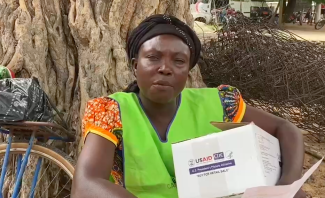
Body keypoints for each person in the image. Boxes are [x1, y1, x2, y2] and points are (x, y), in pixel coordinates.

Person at [71, 14, 306, 198]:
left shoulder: (219, 103)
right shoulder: (111, 112)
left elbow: (285, 129)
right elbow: (86, 185)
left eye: (179, 61)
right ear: (135, 66)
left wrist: (288, 185)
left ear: (188, 72)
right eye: (153, 57)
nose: (165, 68)